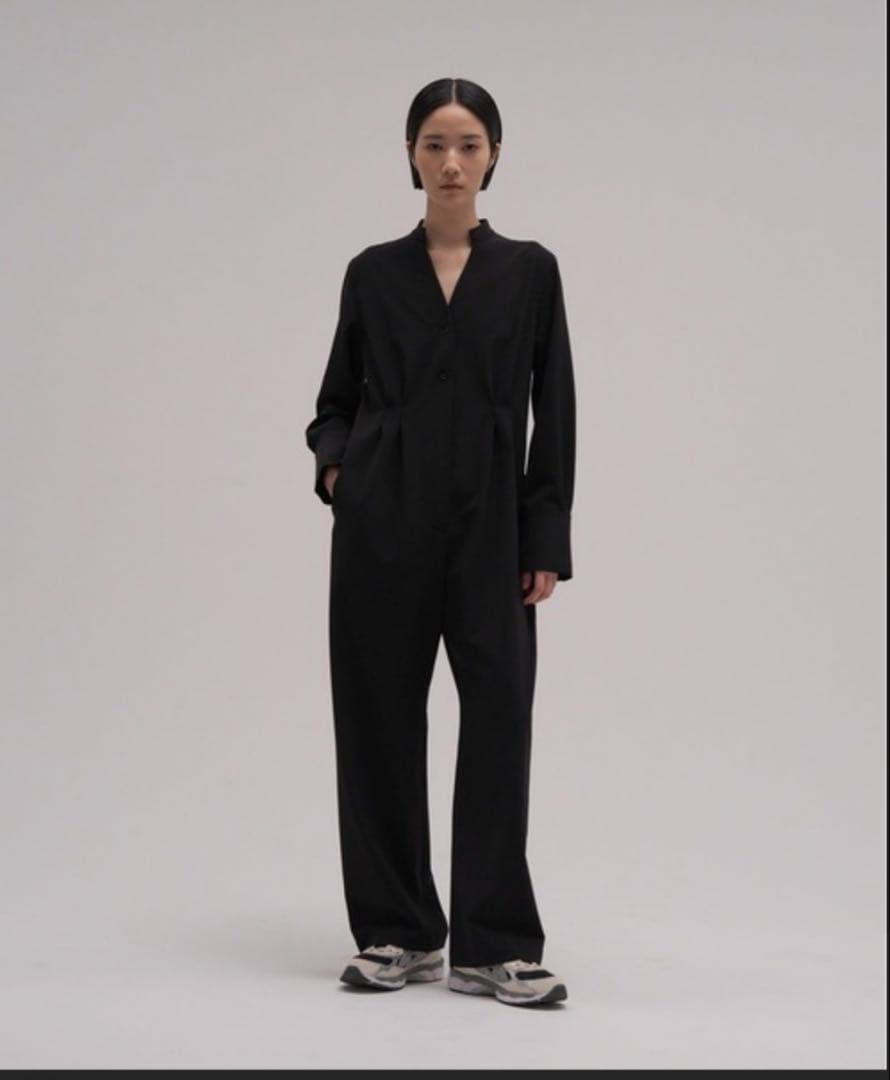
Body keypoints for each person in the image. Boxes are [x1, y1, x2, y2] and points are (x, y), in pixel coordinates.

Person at [305, 76, 576, 1007]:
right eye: (433, 143)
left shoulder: (530, 271)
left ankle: (495, 944)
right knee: (378, 720)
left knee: (499, 720)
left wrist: (545, 534)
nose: (450, 161)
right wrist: (341, 473)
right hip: (383, 528)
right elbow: (333, 404)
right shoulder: (373, 273)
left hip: (494, 531)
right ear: (411, 156)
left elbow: (555, 411)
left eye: (468, 144)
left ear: (494, 156)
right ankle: (398, 931)